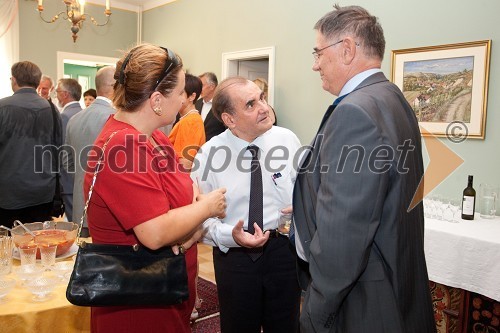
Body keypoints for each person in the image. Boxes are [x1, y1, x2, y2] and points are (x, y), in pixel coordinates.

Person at [292, 5, 436, 332]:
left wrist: (315, 312)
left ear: (346, 49)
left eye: (317, 52)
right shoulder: (392, 98)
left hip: (364, 301)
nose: (315, 65)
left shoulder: (354, 112)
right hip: (395, 282)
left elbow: (343, 236)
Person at [83, 43, 226, 333]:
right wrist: (207, 208)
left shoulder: (156, 140)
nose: (186, 100)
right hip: (138, 299)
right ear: (157, 99)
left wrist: (190, 230)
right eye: (181, 92)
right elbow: (155, 233)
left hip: (169, 285)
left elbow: (186, 197)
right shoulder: (124, 145)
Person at [191, 77, 302, 333]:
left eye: (262, 97)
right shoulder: (209, 155)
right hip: (235, 258)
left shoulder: (288, 140)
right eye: (251, 104)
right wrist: (232, 236)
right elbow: (201, 218)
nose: (264, 107)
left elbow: (306, 191)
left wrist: (302, 208)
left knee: (286, 326)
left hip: (283, 252)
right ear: (230, 119)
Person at [0, 61, 62, 228]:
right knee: (38, 245)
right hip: (43, 191)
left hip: (8, 192)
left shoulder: (2, 107)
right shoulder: (52, 109)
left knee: (7, 246)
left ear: (14, 80)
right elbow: (59, 149)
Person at [63, 66, 116, 235]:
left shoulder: (74, 119)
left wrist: (82, 176)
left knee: (84, 257)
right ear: (116, 86)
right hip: (108, 209)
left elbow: (67, 162)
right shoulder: (116, 118)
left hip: (80, 205)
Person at [55, 78, 82, 221]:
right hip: (82, 178)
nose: (56, 96)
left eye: (57, 92)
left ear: (65, 94)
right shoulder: (83, 113)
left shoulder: (65, 116)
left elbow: (62, 151)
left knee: (74, 224)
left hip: (70, 181)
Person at [168, 73, 205, 171]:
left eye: (180, 93)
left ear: (192, 96)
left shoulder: (191, 121)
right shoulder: (188, 119)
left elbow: (185, 164)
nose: (174, 98)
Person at [195, 72, 225, 141]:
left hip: (217, 148)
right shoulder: (197, 103)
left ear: (212, 86)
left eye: (201, 86)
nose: (198, 89)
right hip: (196, 148)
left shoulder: (223, 105)